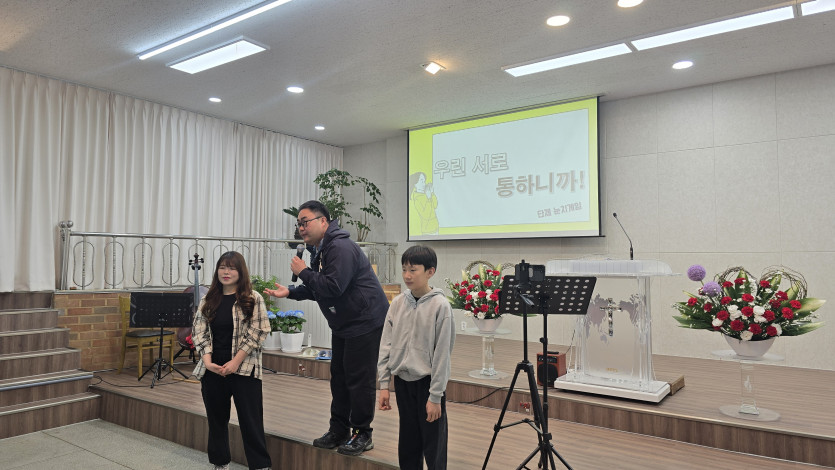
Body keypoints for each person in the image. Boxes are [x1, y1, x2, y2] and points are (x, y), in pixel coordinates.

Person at [264, 200, 388, 456]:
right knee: (339, 378)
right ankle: (339, 430)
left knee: (358, 379)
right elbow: (319, 286)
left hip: (364, 321)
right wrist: (291, 291)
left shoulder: (340, 247)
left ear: (323, 221)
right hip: (344, 322)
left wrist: (303, 272)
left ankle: (363, 433)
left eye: (305, 222)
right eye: (299, 224)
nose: (301, 228)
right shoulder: (321, 248)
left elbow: (333, 287)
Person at [192, 251, 272, 470]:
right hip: (213, 367)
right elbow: (199, 332)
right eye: (222, 267)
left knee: (251, 420)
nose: (226, 272)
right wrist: (207, 362)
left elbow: (259, 331)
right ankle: (220, 463)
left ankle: (260, 465)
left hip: (244, 367)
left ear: (240, 272)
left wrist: (236, 362)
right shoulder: (208, 299)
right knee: (216, 420)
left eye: (232, 268)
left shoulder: (253, 298)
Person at [377, 245, 455, 470]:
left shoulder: (441, 306)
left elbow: (442, 354)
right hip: (403, 382)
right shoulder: (398, 303)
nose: (407, 275)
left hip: (428, 384)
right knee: (408, 443)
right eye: (404, 269)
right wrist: (384, 384)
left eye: (413, 270)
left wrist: (435, 396)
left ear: (430, 272)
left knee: (434, 444)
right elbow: (386, 345)